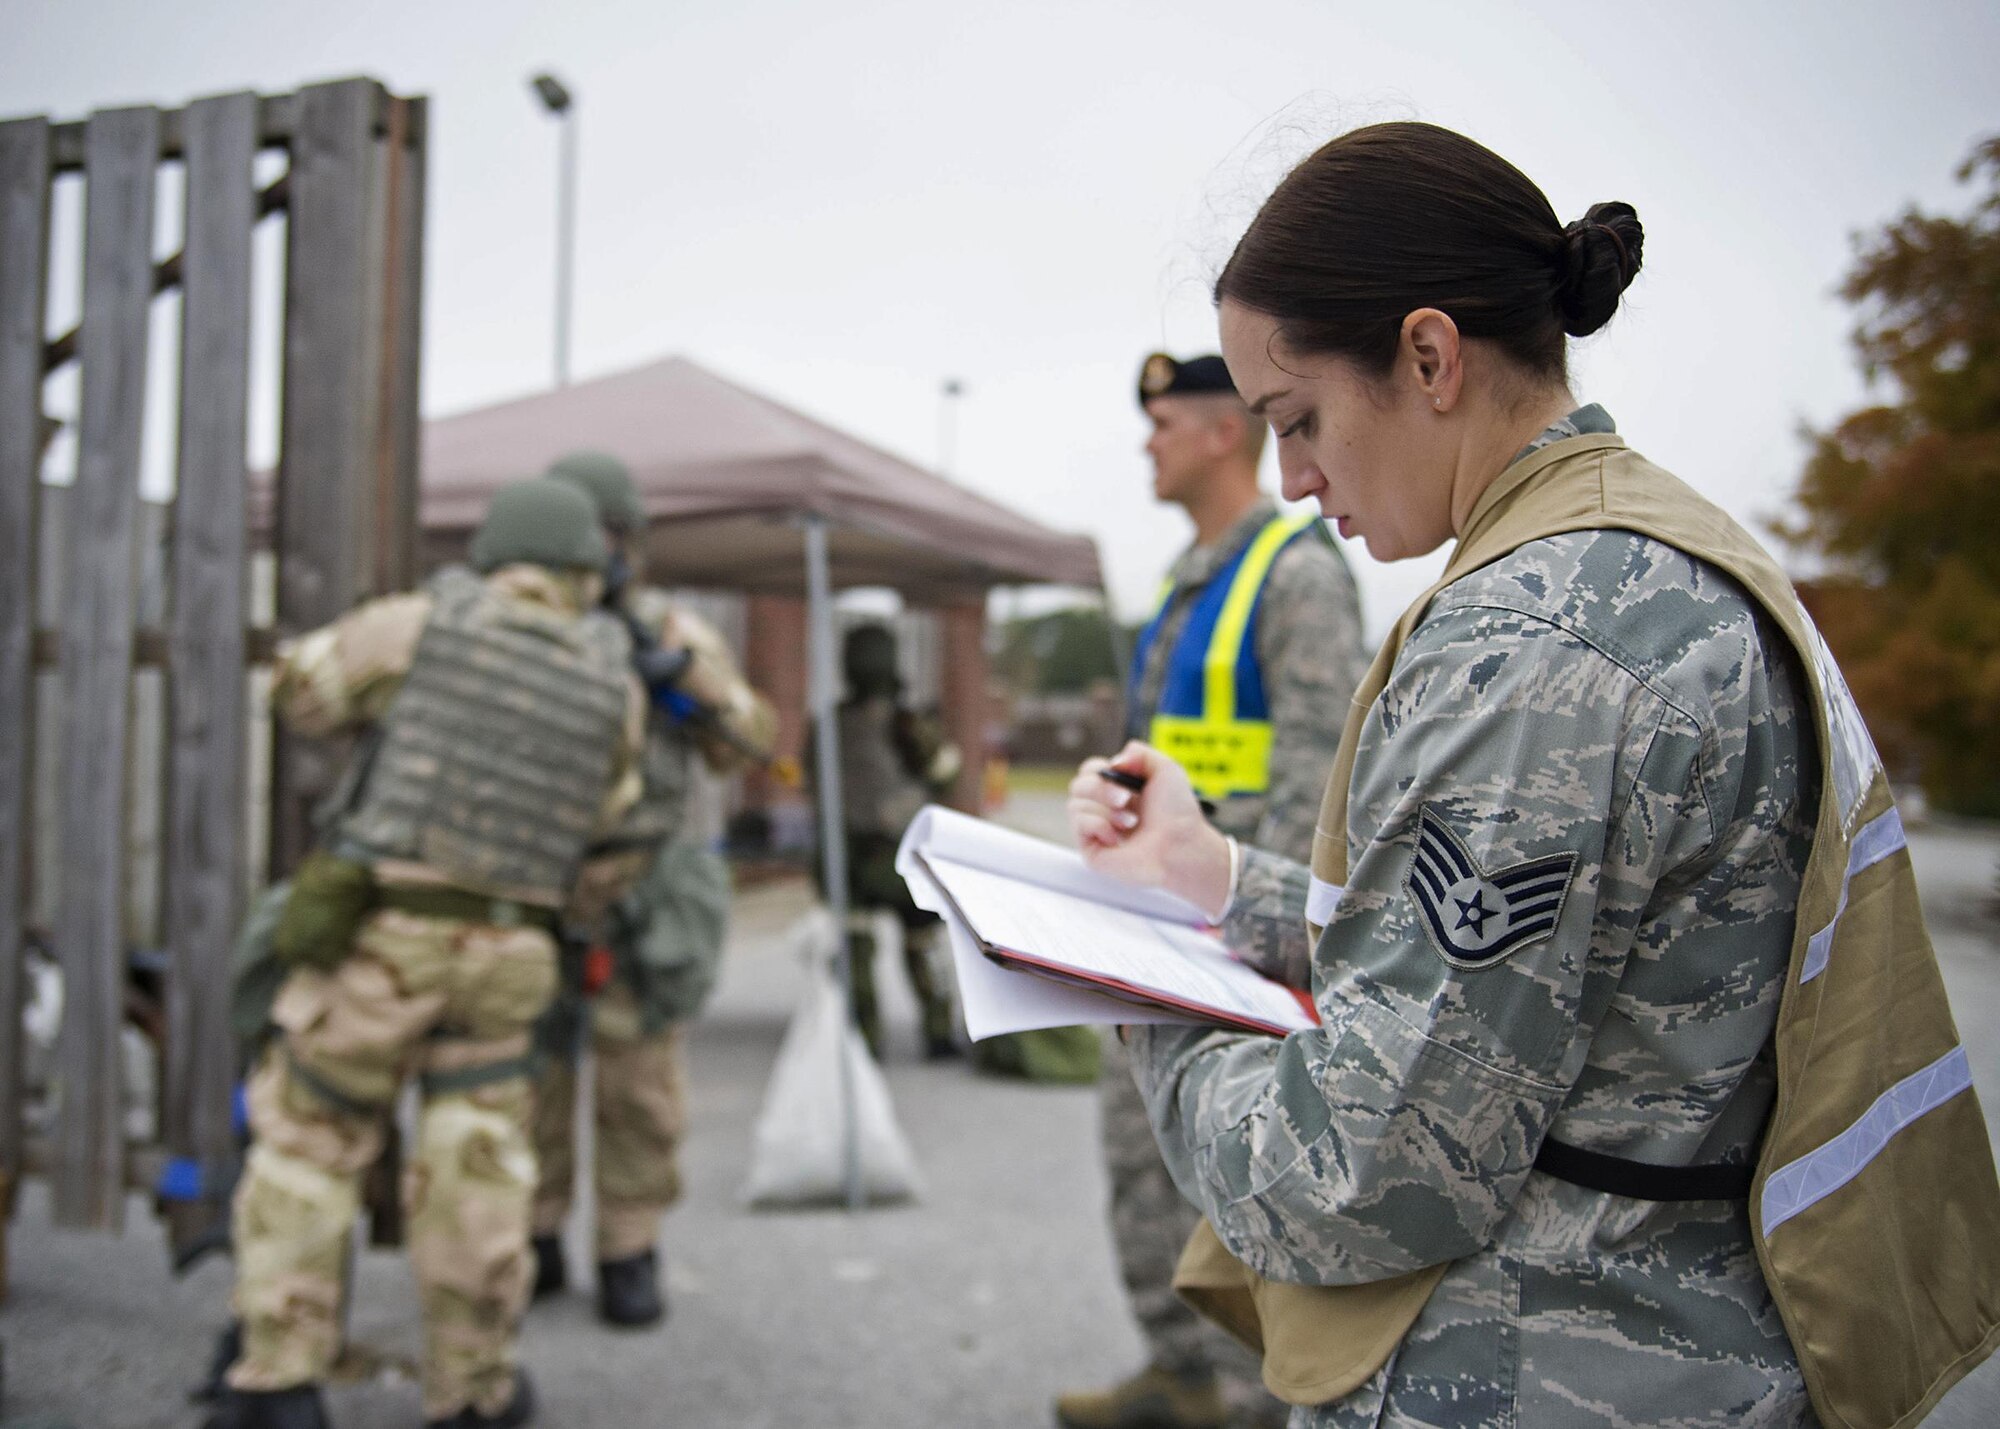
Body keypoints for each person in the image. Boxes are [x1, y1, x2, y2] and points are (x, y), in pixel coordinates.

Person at [1067, 121, 2000, 1429]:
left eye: (1299, 417)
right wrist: (1216, 877)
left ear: (1430, 356)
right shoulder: (1648, 555)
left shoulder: (1536, 644)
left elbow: (1366, 1174)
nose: (1292, 478)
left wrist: (1147, 996)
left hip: (1544, 1374)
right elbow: (1530, 964)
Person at [207, 478, 647, 1429]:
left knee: (311, 1143)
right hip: (512, 953)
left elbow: (301, 694)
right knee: (477, 1164)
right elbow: (609, 808)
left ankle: (281, 1382)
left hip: (387, 939)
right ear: (586, 569)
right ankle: (474, 1390)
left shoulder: (419, 623)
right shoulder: (615, 676)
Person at [1056, 354, 1364, 1429]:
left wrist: (1243, 955)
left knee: (1223, 1184)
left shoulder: (1295, 572)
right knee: (1139, 1164)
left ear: (1221, 431)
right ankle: (1179, 1371)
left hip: (1235, 945)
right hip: (1160, 935)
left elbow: (1319, 784)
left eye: (1161, 421)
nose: (1146, 440)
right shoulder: (1189, 580)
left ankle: (1243, 1394)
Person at [531, 451, 778, 1327]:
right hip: (540, 890)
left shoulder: (669, 627)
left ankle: (628, 1245)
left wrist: (685, 676)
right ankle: (537, 1236)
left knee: (638, 1090)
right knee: (533, 1080)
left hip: (642, 896)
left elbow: (750, 736)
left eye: (606, 535)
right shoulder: (527, 626)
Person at [813, 621, 961, 1059]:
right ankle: (936, 1031)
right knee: (922, 942)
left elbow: (814, 782)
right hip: (900, 856)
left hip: (847, 855)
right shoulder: (905, 722)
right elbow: (944, 774)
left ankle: (864, 1035)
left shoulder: (830, 723)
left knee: (856, 945)